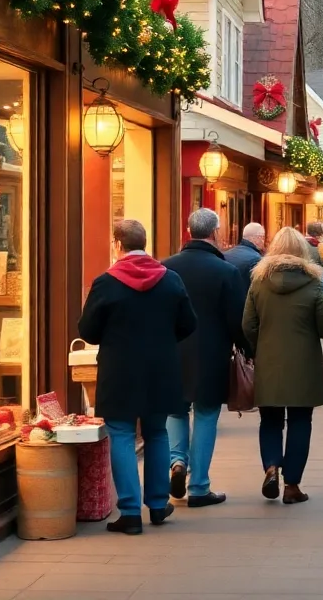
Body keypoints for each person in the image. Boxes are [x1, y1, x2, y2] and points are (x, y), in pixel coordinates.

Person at [77, 219, 197, 535]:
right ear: (145, 243)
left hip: (119, 369)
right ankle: (158, 504)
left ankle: (129, 512)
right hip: (161, 367)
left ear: (118, 244)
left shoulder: (106, 282)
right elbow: (189, 323)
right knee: (157, 432)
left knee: (121, 434)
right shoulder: (170, 279)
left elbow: (87, 331)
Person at [163, 208, 248, 507]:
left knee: (175, 411)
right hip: (211, 353)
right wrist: (247, 349)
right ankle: (199, 487)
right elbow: (236, 320)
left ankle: (176, 463)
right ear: (215, 233)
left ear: (188, 231)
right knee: (206, 414)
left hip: (173, 351)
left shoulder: (167, 267)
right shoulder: (226, 271)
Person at [242, 227, 323, 504]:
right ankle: (292, 484)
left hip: (268, 361)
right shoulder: (313, 283)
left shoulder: (258, 281)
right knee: (300, 421)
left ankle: (271, 466)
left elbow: (248, 324)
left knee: (270, 420)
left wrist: (260, 349)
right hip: (304, 363)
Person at [224, 222, 266, 295]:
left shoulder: (226, 254)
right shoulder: (257, 260)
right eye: (262, 237)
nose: (263, 241)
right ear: (256, 238)